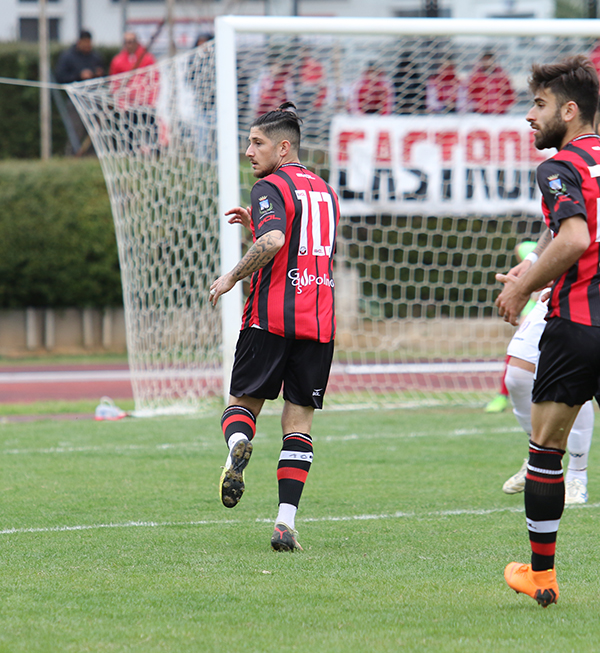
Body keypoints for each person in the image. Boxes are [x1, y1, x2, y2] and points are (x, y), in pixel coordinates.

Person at [209, 102, 340, 552]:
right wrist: (260, 229)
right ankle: (286, 523)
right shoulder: (325, 191)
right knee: (298, 422)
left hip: (270, 317)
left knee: (241, 404)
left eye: (257, 142)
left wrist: (231, 276)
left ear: (284, 148)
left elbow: (275, 240)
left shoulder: (270, 185)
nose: (249, 151)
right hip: (319, 322)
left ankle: (239, 444)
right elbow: (299, 244)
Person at [495, 55, 600, 607]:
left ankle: (542, 577)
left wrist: (519, 288)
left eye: (538, 105)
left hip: (579, 324)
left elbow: (577, 239)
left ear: (570, 110)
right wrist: (532, 264)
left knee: (545, 451)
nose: (529, 117)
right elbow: (566, 234)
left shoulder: (561, 165)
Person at [501, 232, 593, 506]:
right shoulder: (553, 188)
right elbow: (555, 225)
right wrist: (532, 260)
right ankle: (539, 455)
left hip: (588, 290)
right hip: (561, 287)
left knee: (577, 378)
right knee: (517, 377)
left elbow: (577, 237)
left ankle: (577, 476)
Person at [55, 30, 105, 155]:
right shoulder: (68, 57)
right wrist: (79, 76)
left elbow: (104, 74)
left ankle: (92, 156)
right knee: (76, 129)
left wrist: (98, 74)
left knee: (95, 129)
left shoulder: (95, 57)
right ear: (79, 42)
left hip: (93, 98)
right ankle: (72, 155)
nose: (88, 46)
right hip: (75, 99)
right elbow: (60, 77)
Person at [467, 50, 515, 114]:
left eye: (489, 60)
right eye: (485, 60)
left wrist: (504, 106)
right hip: (481, 112)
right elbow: (470, 94)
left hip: (500, 113)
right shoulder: (475, 77)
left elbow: (509, 93)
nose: (487, 63)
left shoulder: (502, 76)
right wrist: (477, 105)